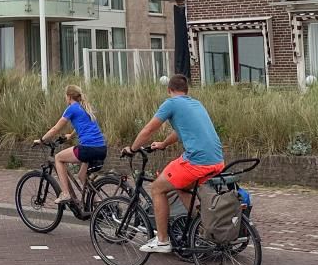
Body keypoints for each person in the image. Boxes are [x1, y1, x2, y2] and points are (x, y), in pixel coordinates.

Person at [123, 74, 223, 253]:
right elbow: (180, 131)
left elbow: (148, 129)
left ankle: (162, 241)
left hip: (197, 162)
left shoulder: (171, 103)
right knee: (179, 184)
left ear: (169, 90)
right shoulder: (196, 104)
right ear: (187, 91)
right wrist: (163, 144)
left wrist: (132, 148)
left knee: (157, 188)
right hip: (217, 161)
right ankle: (202, 226)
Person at [34, 85, 107, 206]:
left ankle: (66, 193)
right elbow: (85, 125)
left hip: (88, 149)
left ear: (69, 97)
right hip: (101, 148)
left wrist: (41, 140)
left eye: (65, 96)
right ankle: (99, 204)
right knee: (81, 175)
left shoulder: (71, 108)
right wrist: (71, 135)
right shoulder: (85, 107)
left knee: (58, 158)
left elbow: (55, 129)